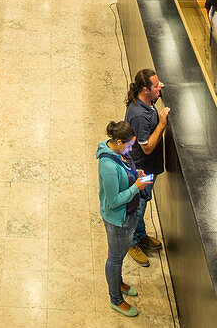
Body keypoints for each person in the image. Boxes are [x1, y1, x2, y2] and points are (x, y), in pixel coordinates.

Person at [96, 120, 149, 317]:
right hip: (118, 220)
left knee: (119, 255)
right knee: (115, 258)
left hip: (129, 214)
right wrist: (136, 187)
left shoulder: (121, 155)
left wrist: (137, 175)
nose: (131, 149)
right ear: (118, 142)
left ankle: (117, 282)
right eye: (128, 145)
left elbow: (126, 176)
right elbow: (113, 201)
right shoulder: (108, 166)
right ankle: (115, 299)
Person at [123, 69, 170, 268]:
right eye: (155, 86)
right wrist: (161, 125)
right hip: (141, 169)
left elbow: (153, 100)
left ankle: (140, 236)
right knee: (138, 208)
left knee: (143, 205)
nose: (159, 87)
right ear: (144, 90)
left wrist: (159, 89)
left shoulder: (147, 102)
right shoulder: (139, 116)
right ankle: (131, 243)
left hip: (149, 167)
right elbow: (147, 147)